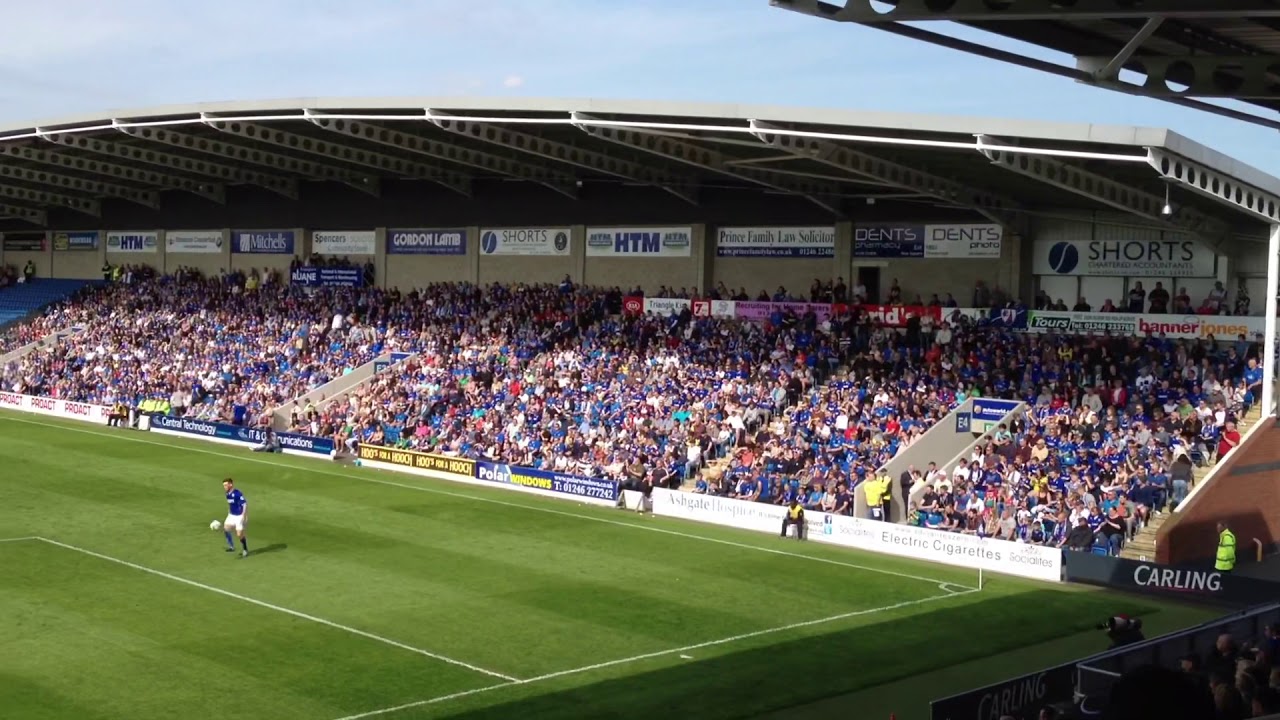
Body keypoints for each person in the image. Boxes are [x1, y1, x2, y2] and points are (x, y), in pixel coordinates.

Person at [222, 478, 250, 557]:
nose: (224, 487)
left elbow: (244, 504)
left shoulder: (237, 493)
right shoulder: (227, 494)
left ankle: (245, 549)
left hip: (239, 516)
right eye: (223, 485)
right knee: (226, 529)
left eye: (226, 485)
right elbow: (231, 504)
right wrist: (229, 512)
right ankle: (231, 547)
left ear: (231, 484)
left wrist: (244, 515)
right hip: (231, 515)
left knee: (239, 534)